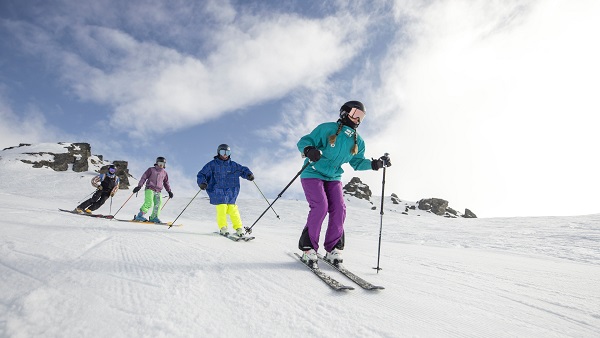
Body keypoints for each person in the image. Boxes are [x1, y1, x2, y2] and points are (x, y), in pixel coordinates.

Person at [297, 100, 391, 268]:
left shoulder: (358, 141)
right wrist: (309, 150)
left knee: (339, 208)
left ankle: (333, 249)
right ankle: (308, 248)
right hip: (313, 172)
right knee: (320, 206)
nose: (358, 120)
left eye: (361, 117)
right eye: (356, 114)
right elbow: (305, 141)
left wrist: (375, 164)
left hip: (333, 177)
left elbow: (357, 162)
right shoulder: (327, 129)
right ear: (344, 112)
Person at [197, 144, 254, 237]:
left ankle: (239, 228)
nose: (225, 155)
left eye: (227, 152)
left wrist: (249, 174)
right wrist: (202, 182)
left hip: (231, 191)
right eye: (223, 152)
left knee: (233, 209)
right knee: (222, 207)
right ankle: (223, 228)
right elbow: (202, 174)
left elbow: (243, 170)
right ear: (218, 153)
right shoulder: (212, 165)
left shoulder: (233, 165)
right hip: (217, 190)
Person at [132, 156, 174, 223]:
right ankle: (139, 216)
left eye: (163, 164)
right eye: (160, 163)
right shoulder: (151, 169)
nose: (161, 165)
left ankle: (153, 217)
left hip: (158, 191)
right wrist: (139, 186)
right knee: (149, 202)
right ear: (157, 163)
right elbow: (144, 177)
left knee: (158, 204)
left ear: (164, 164)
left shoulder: (164, 173)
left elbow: (166, 182)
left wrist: (169, 191)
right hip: (150, 188)